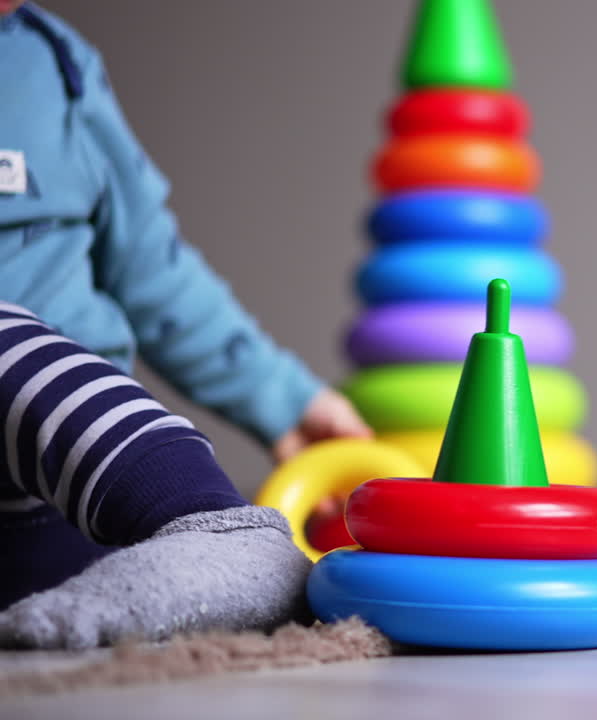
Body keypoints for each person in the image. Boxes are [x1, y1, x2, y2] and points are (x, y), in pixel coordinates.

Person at [0, 2, 371, 647]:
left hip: (76, 496)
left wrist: (284, 400)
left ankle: (213, 525)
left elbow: (153, 274)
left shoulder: (55, 66)